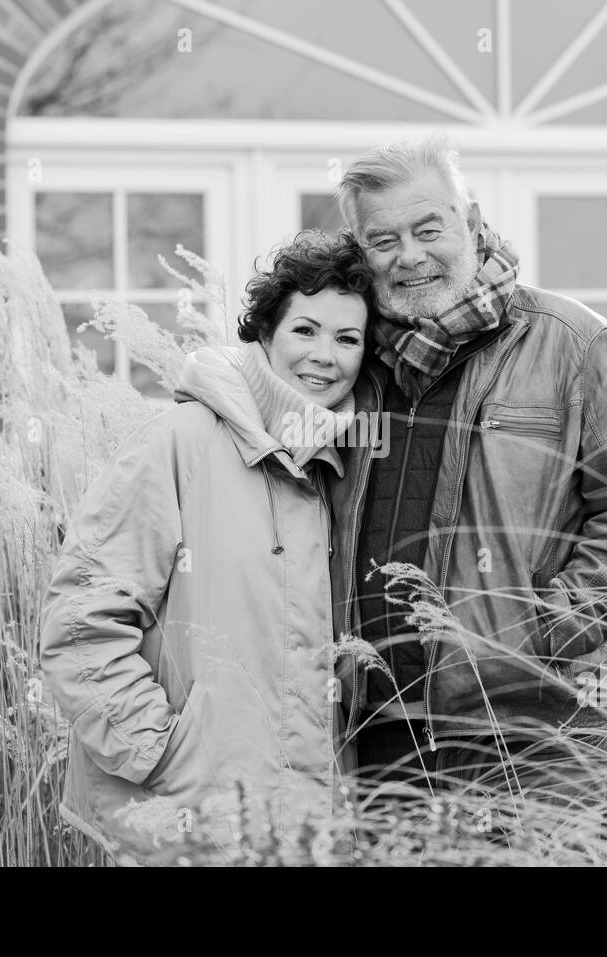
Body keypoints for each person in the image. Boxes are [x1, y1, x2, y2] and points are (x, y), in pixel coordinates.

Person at [327, 134, 607, 807]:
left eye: (428, 227)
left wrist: (547, 629)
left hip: (532, 733)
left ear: (469, 221)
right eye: (384, 240)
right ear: (361, 253)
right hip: (375, 737)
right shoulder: (348, 364)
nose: (409, 255)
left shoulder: (573, 343)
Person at [38, 230, 372, 859]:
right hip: (184, 825)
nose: (325, 355)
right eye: (306, 330)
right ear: (264, 335)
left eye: (347, 338)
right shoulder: (179, 442)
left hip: (303, 833)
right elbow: (81, 619)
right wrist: (163, 756)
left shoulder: (343, 466)